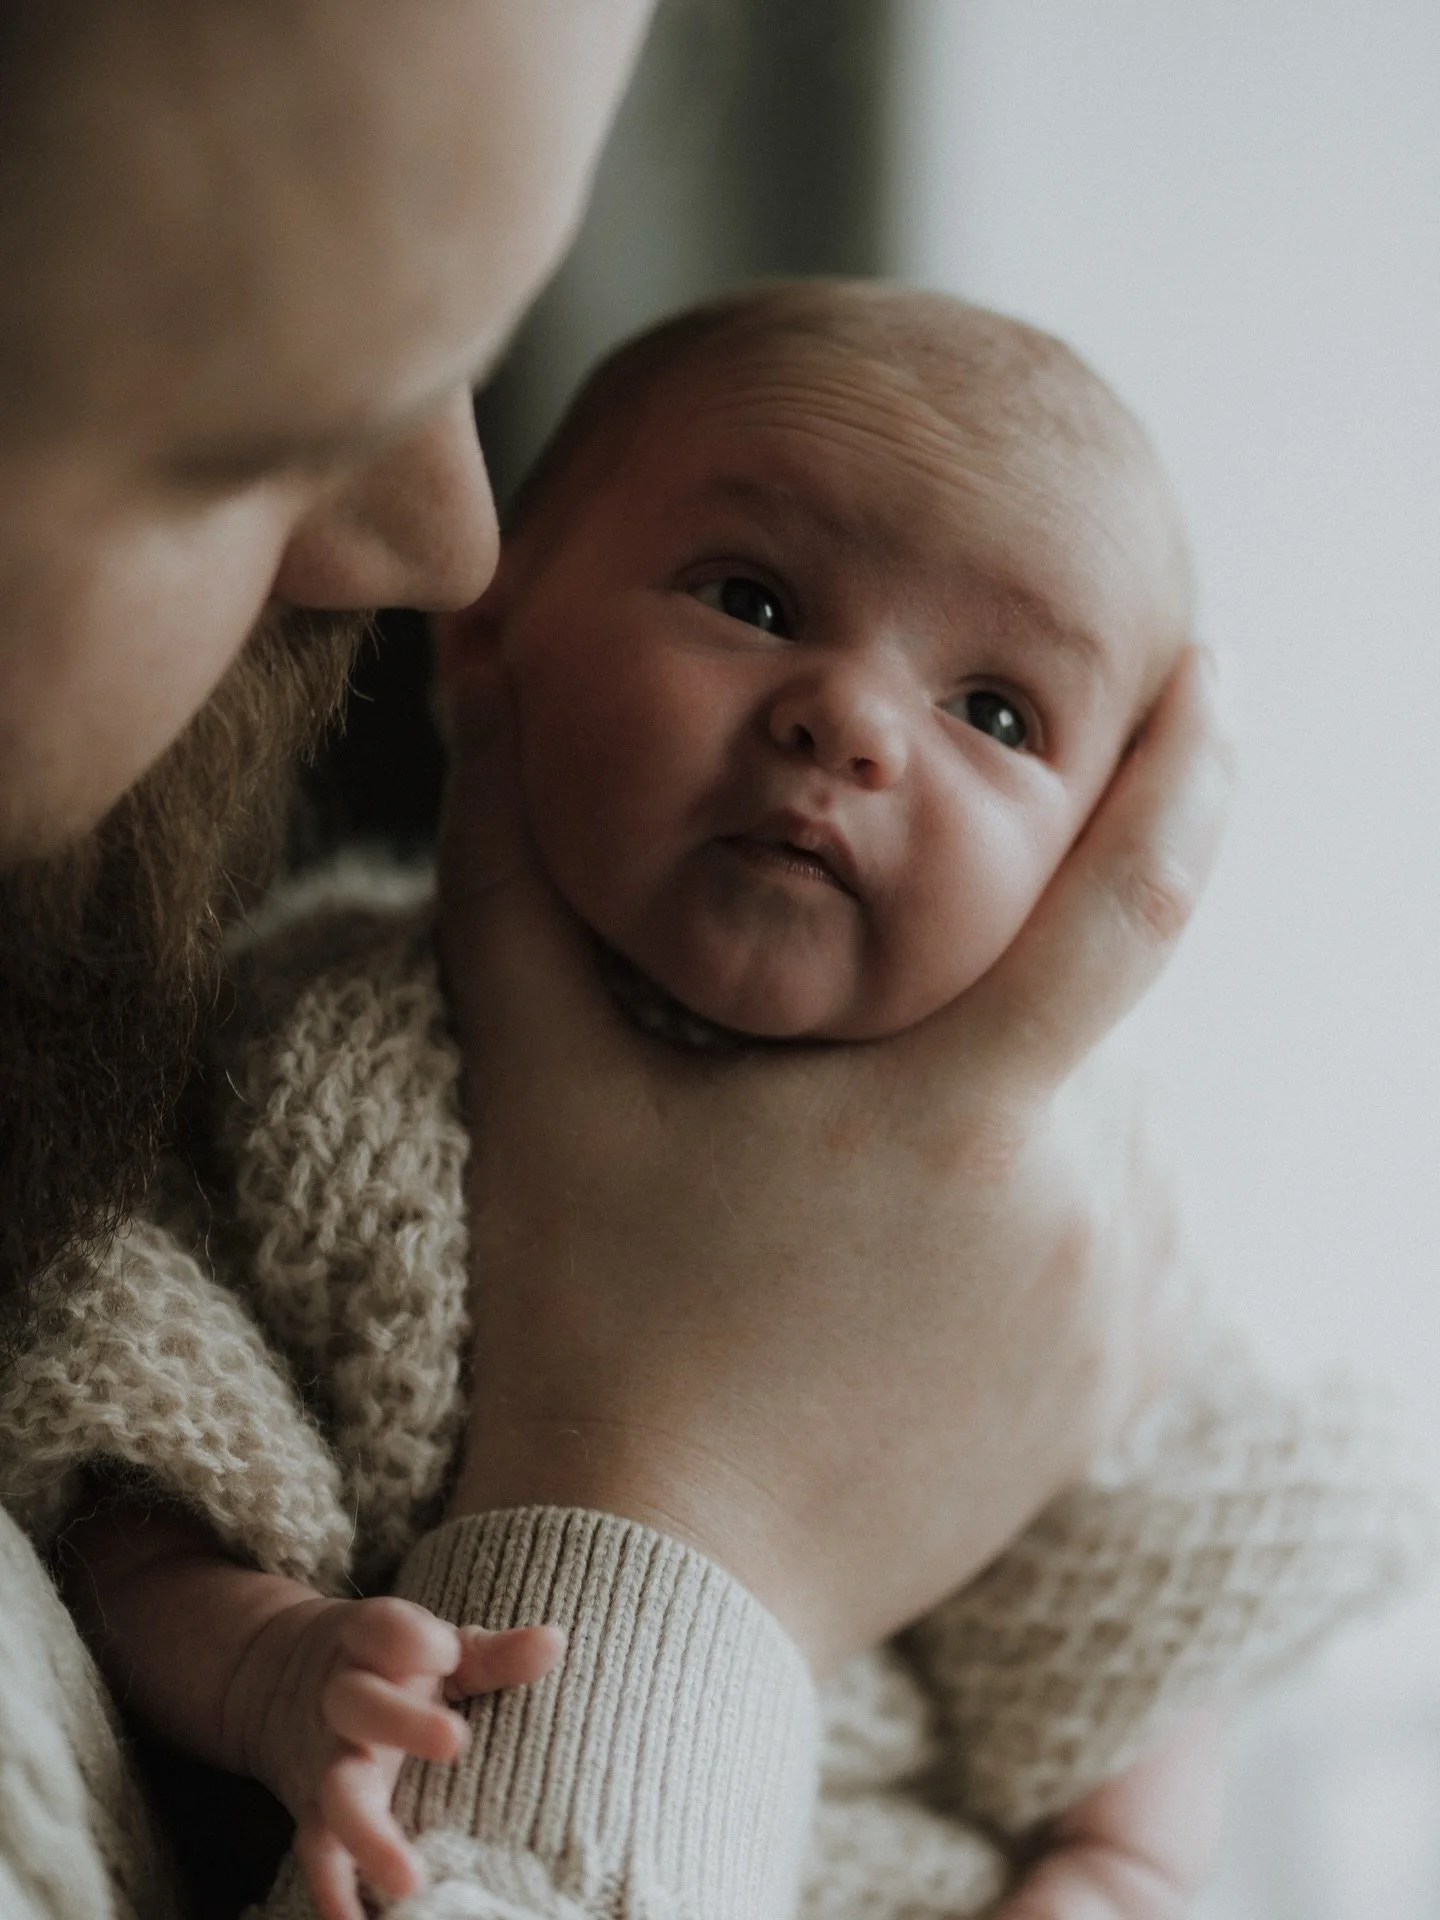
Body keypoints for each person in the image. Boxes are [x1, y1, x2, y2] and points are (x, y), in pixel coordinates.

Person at [0, 5, 1236, 1917]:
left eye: (996, 710)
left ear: (1110, 847)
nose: (852, 723)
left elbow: (1152, 1597)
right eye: (752, 599)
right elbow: (131, 1457)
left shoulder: (1067, 1209)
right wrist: (261, 1661)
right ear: (498, 648)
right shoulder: (310, 1038)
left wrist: (1122, 1864)